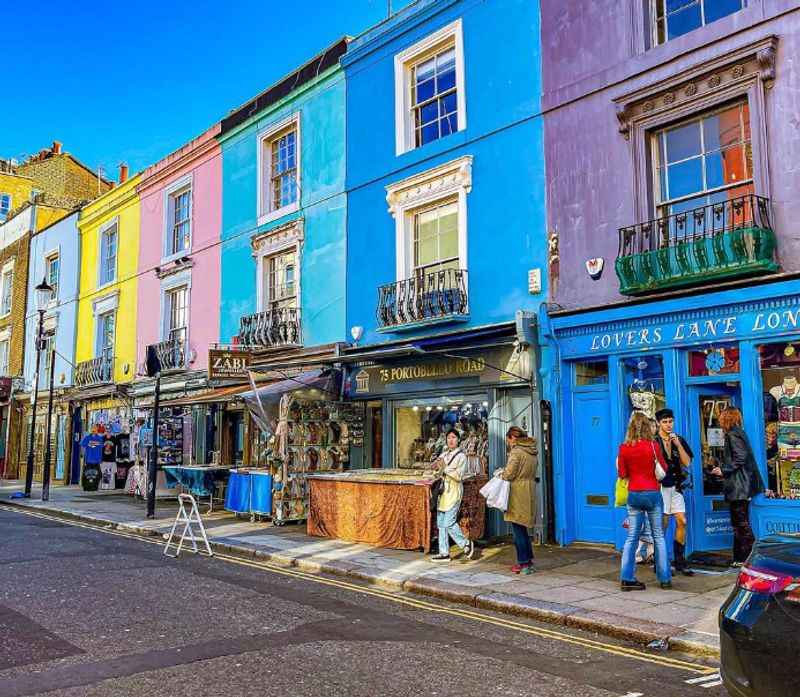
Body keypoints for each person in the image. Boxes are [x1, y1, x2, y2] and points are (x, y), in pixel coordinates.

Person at [617, 411, 672, 590]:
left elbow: (622, 474)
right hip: (653, 494)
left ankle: (627, 578)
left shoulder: (624, 448)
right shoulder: (653, 446)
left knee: (632, 537)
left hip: (634, 494)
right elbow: (664, 469)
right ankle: (664, 578)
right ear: (648, 427)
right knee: (658, 536)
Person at [710, 408, 765, 567]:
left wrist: (723, 470)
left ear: (725, 419)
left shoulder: (733, 435)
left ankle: (753, 557)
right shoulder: (738, 432)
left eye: (721, 418)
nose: (719, 420)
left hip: (739, 487)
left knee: (741, 523)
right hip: (742, 486)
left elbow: (740, 457)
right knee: (739, 523)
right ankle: (740, 558)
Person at [654, 408, 695, 576]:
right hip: (661, 487)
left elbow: (687, 462)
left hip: (676, 486)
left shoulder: (679, 440)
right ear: (658, 423)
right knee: (662, 525)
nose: (668, 425)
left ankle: (680, 561)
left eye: (670, 421)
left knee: (682, 521)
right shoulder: (654, 441)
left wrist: (678, 444)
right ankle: (660, 561)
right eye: (665, 422)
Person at [431, 429, 475, 562]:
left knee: (449, 523)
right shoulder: (443, 454)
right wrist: (435, 469)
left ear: (458, 440)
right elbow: (438, 473)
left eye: (454, 438)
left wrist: (444, 468)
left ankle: (465, 543)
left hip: (454, 491)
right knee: (441, 524)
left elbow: (459, 476)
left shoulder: (461, 457)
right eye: (449, 438)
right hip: (442, 492)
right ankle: (444, 552)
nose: (451, 440)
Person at [500, 426, 537, 574]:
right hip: (528, 490)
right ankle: (528, 561)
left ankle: (523, 564)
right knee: (523, 529)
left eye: (508, 440)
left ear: (512, 438)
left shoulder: (516, 452)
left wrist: (501, 473)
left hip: (517, 492)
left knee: (518, 530)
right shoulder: (532, 451)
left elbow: (509, 474)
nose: (508, 443)